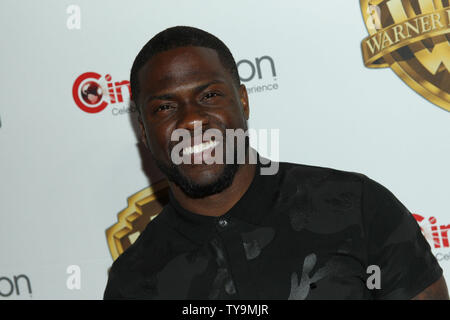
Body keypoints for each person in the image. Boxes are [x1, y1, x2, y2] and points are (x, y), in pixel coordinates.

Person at [103, 26, 448, 300]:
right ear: (145, 134)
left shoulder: (357, 206)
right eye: (165, 107)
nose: (192, 120)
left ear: (243, 101)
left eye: (209, 96)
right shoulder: (133, 280)